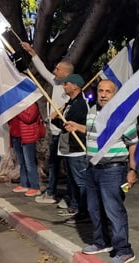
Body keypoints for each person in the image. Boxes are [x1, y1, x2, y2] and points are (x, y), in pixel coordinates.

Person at [65, 79, 138, 263]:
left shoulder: (122, 114)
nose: (103, 94)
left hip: (113, 170)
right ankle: (101, 242)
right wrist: (77, 127)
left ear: (115, 95)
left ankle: (124, 250)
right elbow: (92, 131)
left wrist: (132, 170)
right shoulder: (92, 111)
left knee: (114, 211)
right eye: (100, 91)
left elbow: (132, 144)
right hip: (92, 169)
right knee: (94, 209)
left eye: (108, 91)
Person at [21, 42, 74, 205]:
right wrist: (32, 52)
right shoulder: (57, 83)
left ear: (65, 72)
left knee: (67, 168)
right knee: (53, 165)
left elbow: (72, 109)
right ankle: (51, 193)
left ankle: (70, 198)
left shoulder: (70, 87)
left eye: (57, 69)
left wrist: (59, 113)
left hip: (64, 134)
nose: (54, 71)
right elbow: (43, 70)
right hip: (55, 134)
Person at [52, 74, 89, 224]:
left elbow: (68, 125)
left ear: (75, 86)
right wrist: (56, 119)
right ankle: (75, 205)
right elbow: (62, 125)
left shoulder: (80, 104)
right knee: (71, 180)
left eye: (66, 83)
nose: (63, 86)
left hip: (77, 148)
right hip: (67, 147)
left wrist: (57, 119)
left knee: (80, 181)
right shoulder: (70, 102)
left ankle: (85, 211)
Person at [9, 102, 42, 197]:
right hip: (16, 135)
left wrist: (17, 110)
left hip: (27, 136)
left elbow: (29, 118)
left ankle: (35, 186)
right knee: (21, 162)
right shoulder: (16, 104)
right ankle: (24, 184)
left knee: (29, 162)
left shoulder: (31, 103)